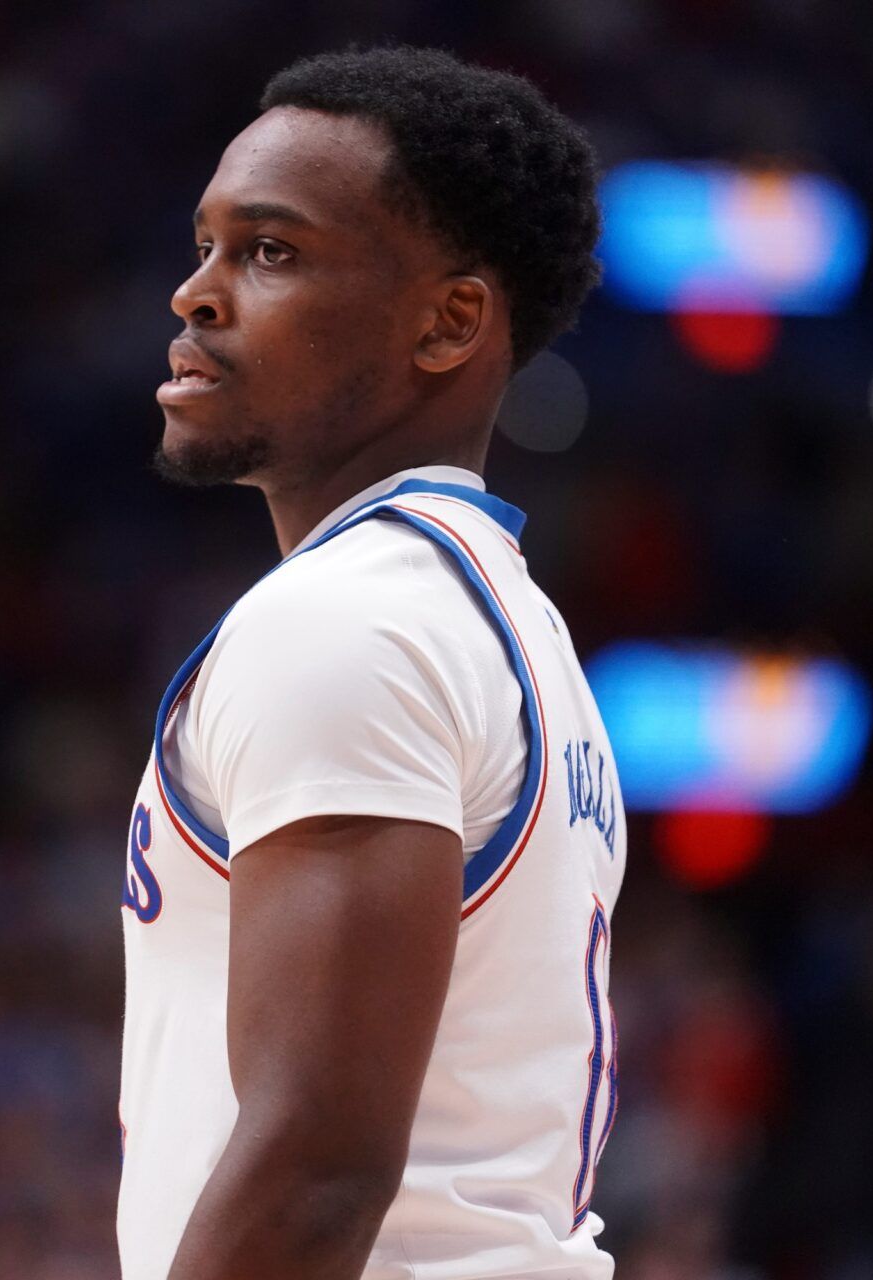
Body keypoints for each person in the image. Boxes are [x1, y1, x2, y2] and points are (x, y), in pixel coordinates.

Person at [119, 45, 625, 1280]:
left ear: (451, 322)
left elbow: (316, 1166)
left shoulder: (351, 626)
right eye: (207, 243)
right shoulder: (498, 618)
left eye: (271, 251)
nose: (198, 292)